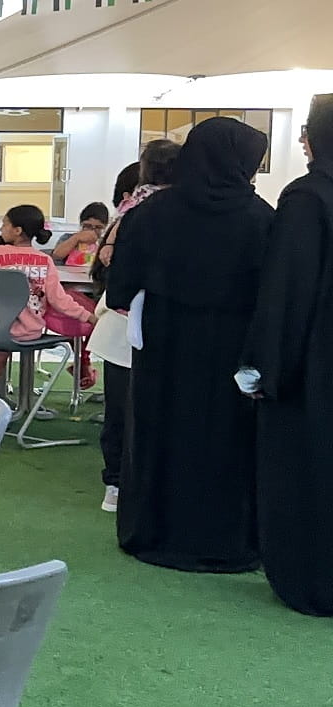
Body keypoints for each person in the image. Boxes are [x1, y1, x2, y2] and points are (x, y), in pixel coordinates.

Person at [106, 117, 273, 574]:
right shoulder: (262, 219)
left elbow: (118, 288)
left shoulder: (152, 213)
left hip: (164, 344)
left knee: (160, 430)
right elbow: (274, 297)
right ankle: (222, 538)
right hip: (232, 351)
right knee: (225, 439)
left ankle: (154, 530)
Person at [242, 94, 333, 615]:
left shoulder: (308, 197)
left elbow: (287, 291)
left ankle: (311, 576)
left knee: (308, 469)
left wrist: (263, 370)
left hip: (313, 365)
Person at [86, 140, 178, 513]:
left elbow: (107, 270)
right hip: (149, 324)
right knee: (146, 410)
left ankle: (118, 483)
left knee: (121, 411)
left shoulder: (130, 211)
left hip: (121, 323)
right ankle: (128, 483)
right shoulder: (159, 211)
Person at [0, 205, 95, 393]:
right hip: (30, 331)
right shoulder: (45, 260)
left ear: (17, 230)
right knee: (7, 333)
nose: (0, 229)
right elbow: (59, 300)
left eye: (4, 224)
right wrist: (88, 316)